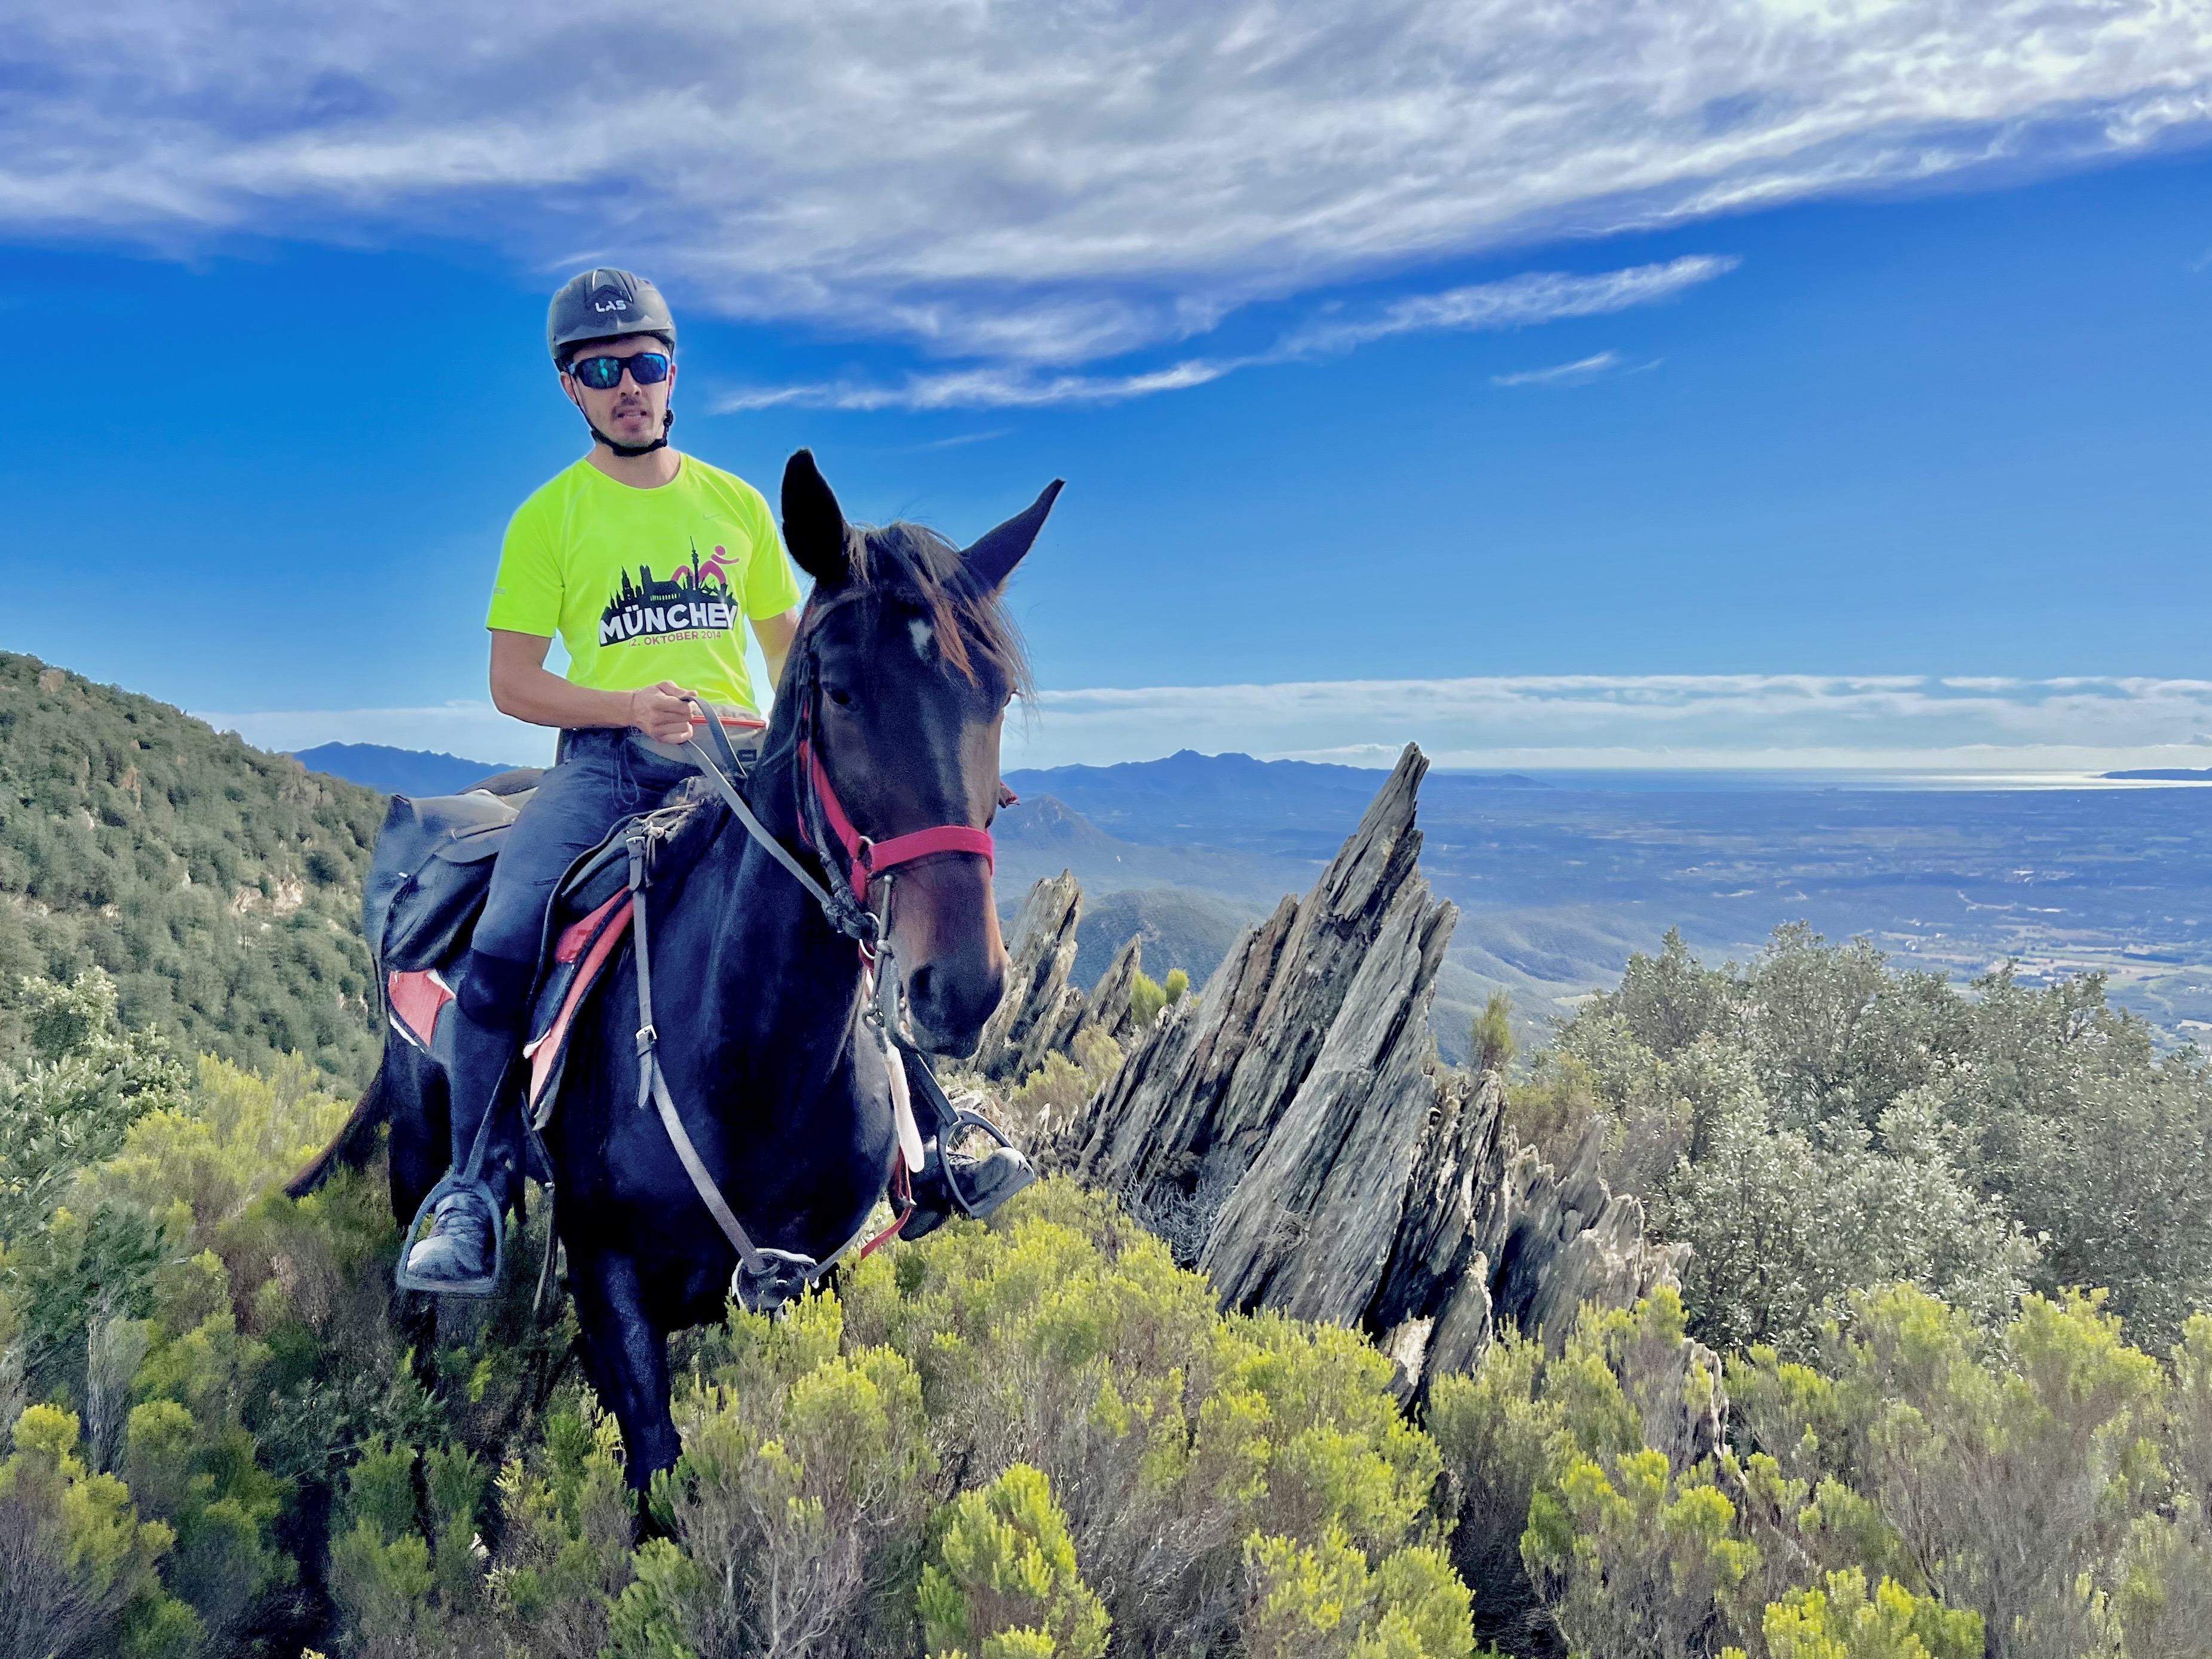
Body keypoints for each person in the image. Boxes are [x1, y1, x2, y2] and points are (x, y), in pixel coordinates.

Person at [401, 268, 803, 1290]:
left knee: (852, 890)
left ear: (675, 374)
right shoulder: (551, 519)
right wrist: (628, 707)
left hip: (737, 760)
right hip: (607, 766)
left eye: (647, 363)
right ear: (571, 389)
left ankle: (926, 1134)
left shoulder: (739, 507)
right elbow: (513, 683)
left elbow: (793, 653)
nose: (630, 384)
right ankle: (475, 1187)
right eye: (601, 368)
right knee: (505, 933)